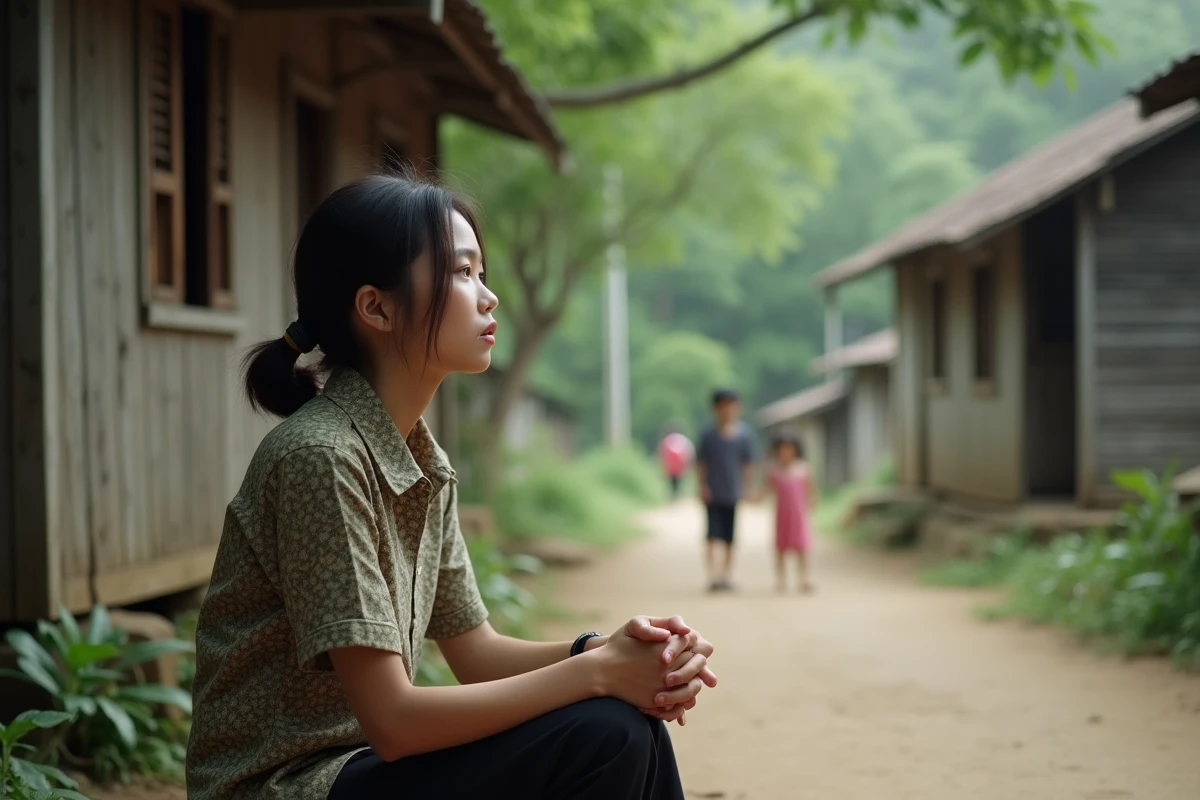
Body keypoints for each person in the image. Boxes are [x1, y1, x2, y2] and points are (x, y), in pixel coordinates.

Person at [185, 175, 719, 800]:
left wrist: (610, 652)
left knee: (631, 724)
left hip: (361, 772)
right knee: (605, 731)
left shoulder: (420, 459)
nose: (489, 298)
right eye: (462, 273)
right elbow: (394, 721)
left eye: (480, 272)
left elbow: (478, 652)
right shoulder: (320, 457)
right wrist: (597, 675)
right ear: (377, 307)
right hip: (287, 786)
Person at [696, 388, 757, 592]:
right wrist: (702, 486)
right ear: (715, 409)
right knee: (712, 535)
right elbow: (701, 464)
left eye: (731, 406)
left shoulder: (744, 435)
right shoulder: (708, 435)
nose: (727, 410)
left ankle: (726, 575)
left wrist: (747, 488)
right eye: (722, 406)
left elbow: (747, 464)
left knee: (730, 537)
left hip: (733, 492)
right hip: (713, 493)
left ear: (738, 408)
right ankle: (713, 576)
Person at [765, 432, 816, 594]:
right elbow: (767, 491)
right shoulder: (774, 471)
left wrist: (812, 504)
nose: (785, 453)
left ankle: (805, 577)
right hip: (782, 515)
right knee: (781, 547)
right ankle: (781, 579)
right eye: (781, 449)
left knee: (802, 546)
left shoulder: (803, 469)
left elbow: (810, 491)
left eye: (789, 449)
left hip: (798, 515)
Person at [658, 426, 695, 500]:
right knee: (678, 482)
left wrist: (662, 465)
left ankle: (673, 495)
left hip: (670, 467)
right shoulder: (683, 440)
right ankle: (677, 495)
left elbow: (662, 454)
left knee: (672, 483)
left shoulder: (667, 440)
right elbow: (689, 453)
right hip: (680, 467)